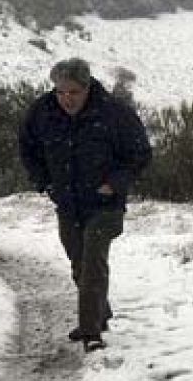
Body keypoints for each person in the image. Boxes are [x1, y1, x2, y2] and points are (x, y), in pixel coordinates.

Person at [17, 59, 152, 351]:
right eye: (61, 92)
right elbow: (27, 147)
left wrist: (114, 183)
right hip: (67, 203)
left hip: (105, 204)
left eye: (74, 92)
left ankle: (91, 332)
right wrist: (45, 182)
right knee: (79, 262)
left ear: (87, 87)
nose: (67, 98)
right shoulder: (42, 112)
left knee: (92, 262)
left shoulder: (114, 113)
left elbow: (140, 154)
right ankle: (99, 312)